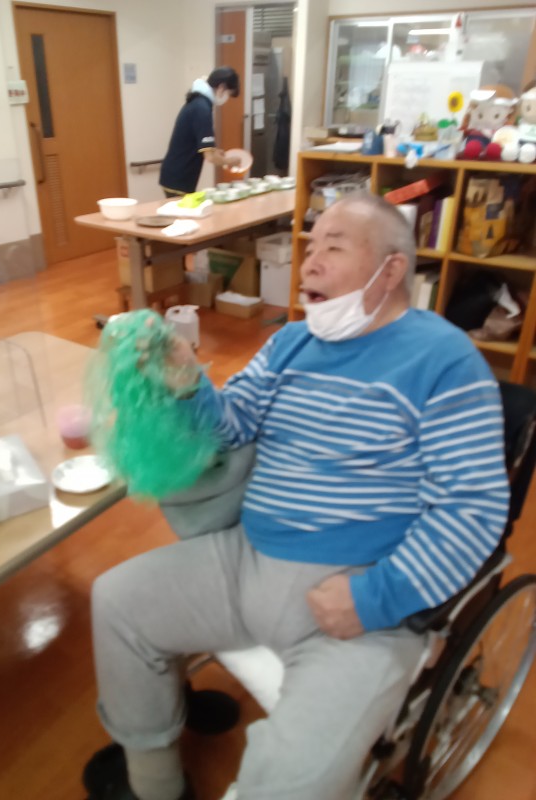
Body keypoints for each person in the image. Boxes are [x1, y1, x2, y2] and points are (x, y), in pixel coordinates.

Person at [88, 193, 510, 800]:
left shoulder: (445, 360)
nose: (309, 261)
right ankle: (155, 785)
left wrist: (373, 598)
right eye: (311, 245)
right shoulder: (290, 343)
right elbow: (230, 426)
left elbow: (471, 507)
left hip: (359, 598)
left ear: (392, 269)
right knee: (116, 602)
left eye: (333, 246)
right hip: (246, 559)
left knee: (293, 782)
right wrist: (185, 379)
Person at [159, 66, 241, 198]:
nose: (226, 99)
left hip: (175, 174)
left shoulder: (198, 102)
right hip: (179, 178)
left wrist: (215, 150)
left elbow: (196, 142)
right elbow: (210, 157)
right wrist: (230, 161)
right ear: (221, 87)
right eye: (228, 94)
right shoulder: (202, 109)